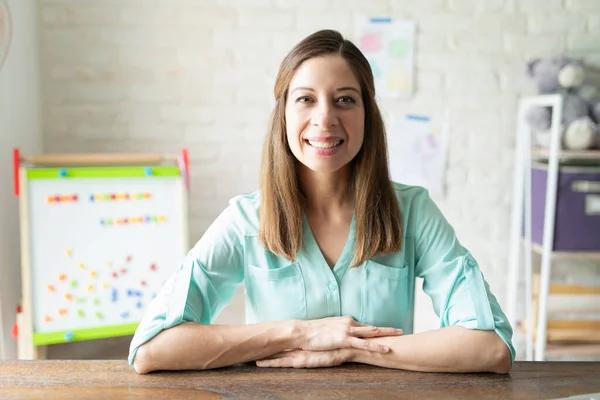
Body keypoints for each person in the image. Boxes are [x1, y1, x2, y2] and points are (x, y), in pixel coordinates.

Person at [129, 29, 514, 374]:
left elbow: (490, 346)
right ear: (283, 115)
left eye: (345, 99)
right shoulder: (246, 220)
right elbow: (152, 348)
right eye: (306, 99)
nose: (325, 118)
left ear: (368, 114)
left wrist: (351, 348)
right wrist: (300, 333)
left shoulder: (413, 212)